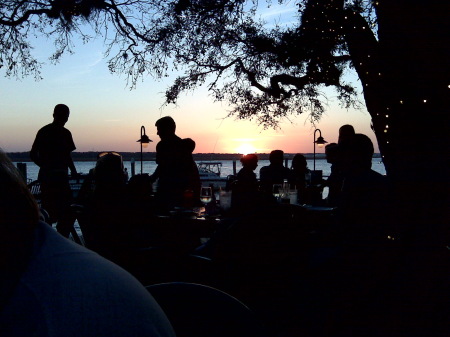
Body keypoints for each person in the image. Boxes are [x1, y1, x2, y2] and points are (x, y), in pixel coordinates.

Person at [0, 149, 176, 337]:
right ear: (120, 173)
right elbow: (148, 226)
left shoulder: (92, 203)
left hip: (108, 255)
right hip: (134, 262)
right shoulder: (125, 201)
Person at [30, 104, 78, 237]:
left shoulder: (44, 131)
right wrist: (73, 172)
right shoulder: (65, 133)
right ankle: (62, 237)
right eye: (65, 116)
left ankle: (49, 237)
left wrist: (44, 166)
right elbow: (67, 156)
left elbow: (33, 154)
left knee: (49, 211)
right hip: (60, 179)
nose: (66, 119)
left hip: (47, 177)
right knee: (65, 211)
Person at [149, 116, 200, 211]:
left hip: (169, 194)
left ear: (167, 129)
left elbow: (162, 167)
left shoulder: (162, 145)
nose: (157, 133)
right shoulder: (183, 147)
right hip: (185, 195)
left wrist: (150, 179)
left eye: (159, 129)